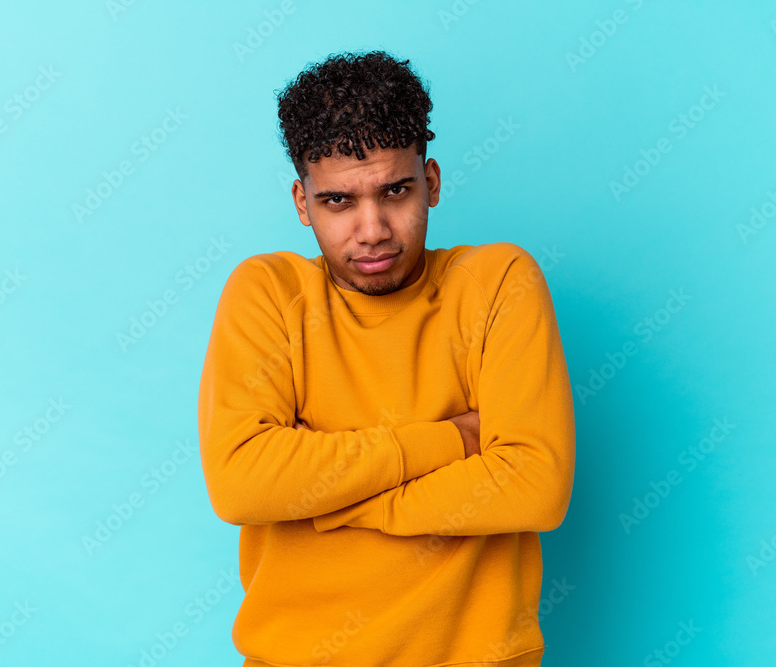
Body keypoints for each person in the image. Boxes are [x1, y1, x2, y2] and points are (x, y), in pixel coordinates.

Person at [197, 49, 575, 666]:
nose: (372, 229)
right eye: (338, 201)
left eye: (395, 191)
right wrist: (452, 441)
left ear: (431, 182)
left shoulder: (498, 282)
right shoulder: (268, 294)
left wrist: (329, 497)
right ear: (302, 202)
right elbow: (242, 483)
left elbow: (534, 488)